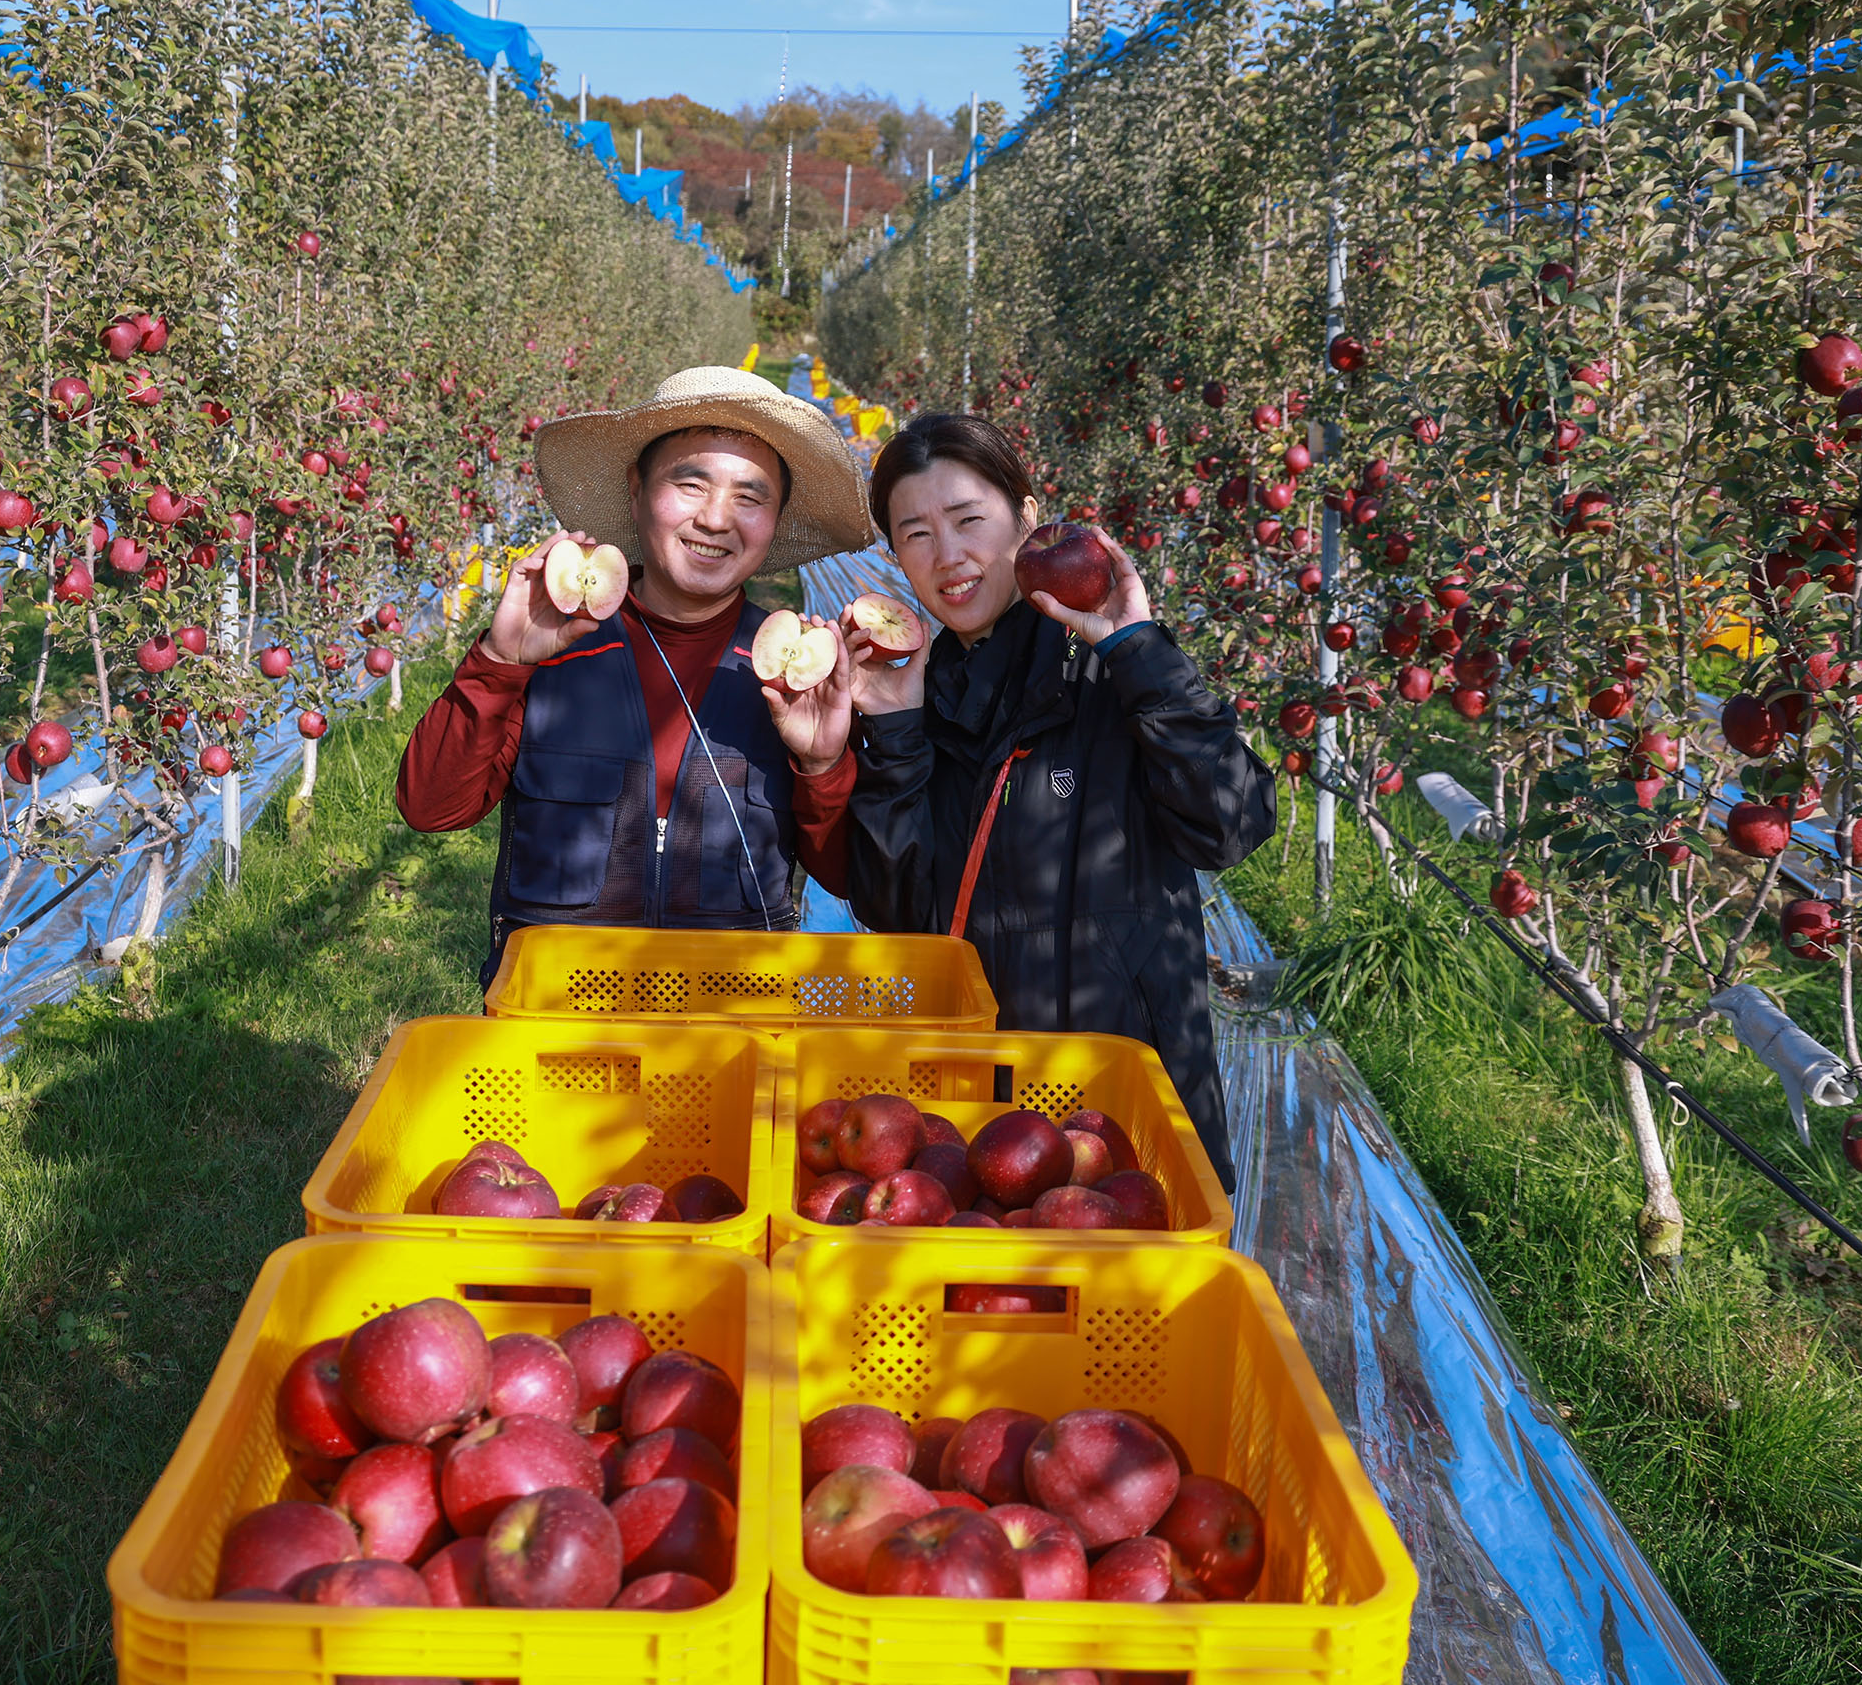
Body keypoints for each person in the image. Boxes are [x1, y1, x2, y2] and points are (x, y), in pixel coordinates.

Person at [839, 412, 1274, 1188]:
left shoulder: (1112, 674)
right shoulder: (921, 694)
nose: (949, 556)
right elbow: (894, 911)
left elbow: (1232, 824)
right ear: (894, 554)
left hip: (1119, 1118)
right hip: (969, 1119)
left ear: (1027, 517)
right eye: (916, 534)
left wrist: (1139, 652)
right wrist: (896, 732)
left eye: (969, 520)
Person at [395, 366, 875, 976]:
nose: (716, 519)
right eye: (691, 484)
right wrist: (497, 665)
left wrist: (823, 767)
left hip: (730, 1029)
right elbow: (431, 808)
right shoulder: (554, 647)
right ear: (636, 488)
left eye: (750, 497)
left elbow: (844, 876)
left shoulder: (794, 678)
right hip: (556, 1024)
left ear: (775, 519)